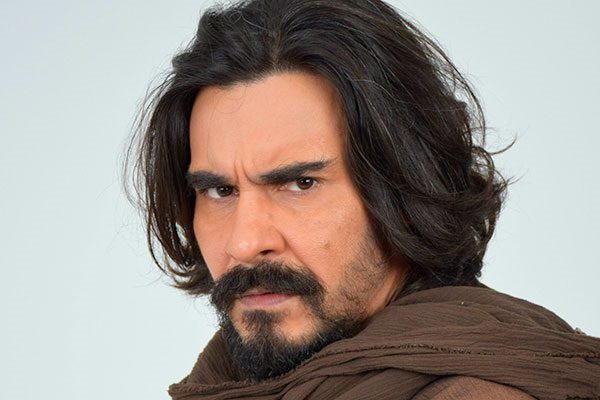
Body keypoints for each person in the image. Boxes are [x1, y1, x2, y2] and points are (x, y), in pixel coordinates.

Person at [126, 0, 600, 398]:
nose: (245, 243)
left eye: (301, 184)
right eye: (219, 191)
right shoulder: (232, 380)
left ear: (403, 192)